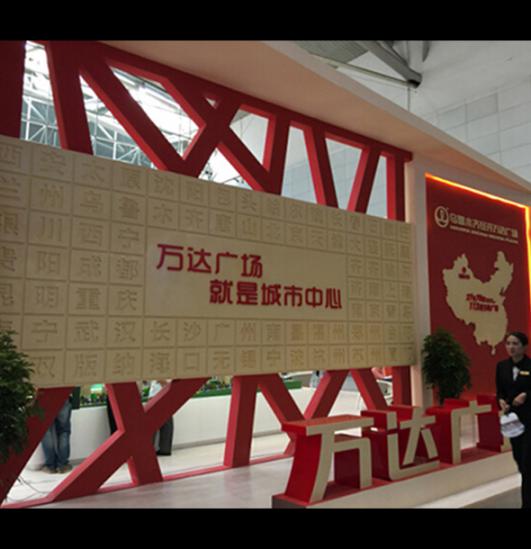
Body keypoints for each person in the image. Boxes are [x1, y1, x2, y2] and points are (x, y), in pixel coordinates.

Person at [496, 331, 531, 508]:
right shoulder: (502, 366)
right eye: (508, 343)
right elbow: (499, 391)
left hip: (529, 418)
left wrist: (526, 395)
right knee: (519, 459)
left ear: (524, 347)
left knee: (527, 461)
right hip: (513, 421)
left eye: (515, 343)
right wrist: (501, 400)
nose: (511, 347)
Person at [40, 393, 74, 474]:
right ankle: (62, 465)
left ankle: (50, 466)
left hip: (44, 397)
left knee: (46, 432)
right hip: (63, 395)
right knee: (63, 431)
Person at [149, 380, 174, 456]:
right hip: (161, 396)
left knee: (152, 425)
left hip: (158, 396)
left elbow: (164, 381)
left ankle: (151, 449)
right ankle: (165, 449)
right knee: (166, 424)